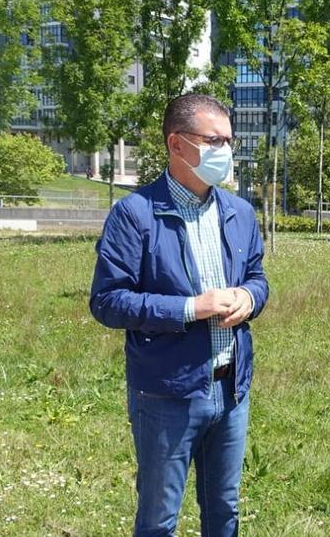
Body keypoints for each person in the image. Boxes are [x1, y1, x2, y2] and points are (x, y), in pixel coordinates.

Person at [89, 93, 269, 536]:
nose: (226, 152)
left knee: (224, 512)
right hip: (167, 395)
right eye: (214, 140)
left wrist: (250, 298)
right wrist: (191, 308)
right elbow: (108, 301)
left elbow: (257, 277)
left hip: (230, 391)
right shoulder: (135, 215)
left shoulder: (239, 213)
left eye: (229, 141)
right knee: (158, 519)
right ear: (176, 145)